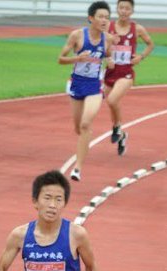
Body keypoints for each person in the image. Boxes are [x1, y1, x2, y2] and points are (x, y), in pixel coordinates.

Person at [59, 0, 114, 182]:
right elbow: (60, 59)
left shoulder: (108, 39)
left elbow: (108, 55)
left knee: (85, 124)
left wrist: (111, 61)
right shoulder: (77, 36)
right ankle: (85, 137)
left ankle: (77, 168)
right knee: (78, 127)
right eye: (100, 17)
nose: (104, 20)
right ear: (91, 18)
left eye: (107, 17)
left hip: (94, 86)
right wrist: (77, 58)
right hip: (76, 84)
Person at [104, 0, 154, 155]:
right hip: (111, 71)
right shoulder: (108, 27)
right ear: (117, 9)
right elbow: (101, 45)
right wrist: (107, 57)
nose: (124, 11)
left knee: (112, 100)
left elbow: (150, 44)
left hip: (126, 72)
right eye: (121, 8)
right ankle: (122, 135)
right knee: (112, 103)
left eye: (127, 8)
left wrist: (141, 57)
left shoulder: (137, 29)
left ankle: (117, 128)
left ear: (132, 11)